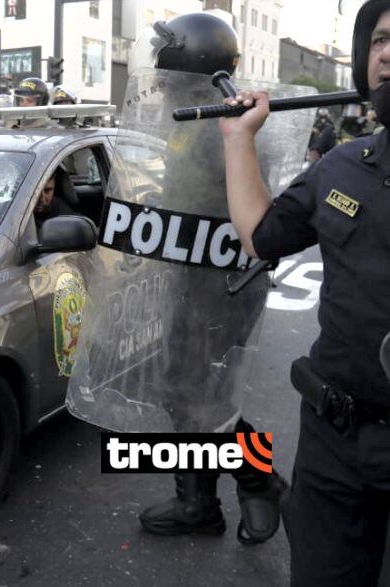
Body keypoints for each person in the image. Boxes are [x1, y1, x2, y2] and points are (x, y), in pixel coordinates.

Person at [220, 0, 390, 583]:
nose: (388, 53)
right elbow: (261, 238)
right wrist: (238, 139)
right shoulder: (342, 167)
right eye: (380, 41)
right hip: (334, 442)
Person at [119, 12, 287, 544]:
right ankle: (198, 503)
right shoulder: (188, 118)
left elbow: (251, 211)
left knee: (206, 396)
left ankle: (258, 480)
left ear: (188, 62)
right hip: (190, 279)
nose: (157, 73)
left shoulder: (230, 125)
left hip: (226, 286)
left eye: (165, 61)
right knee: (181, 393)